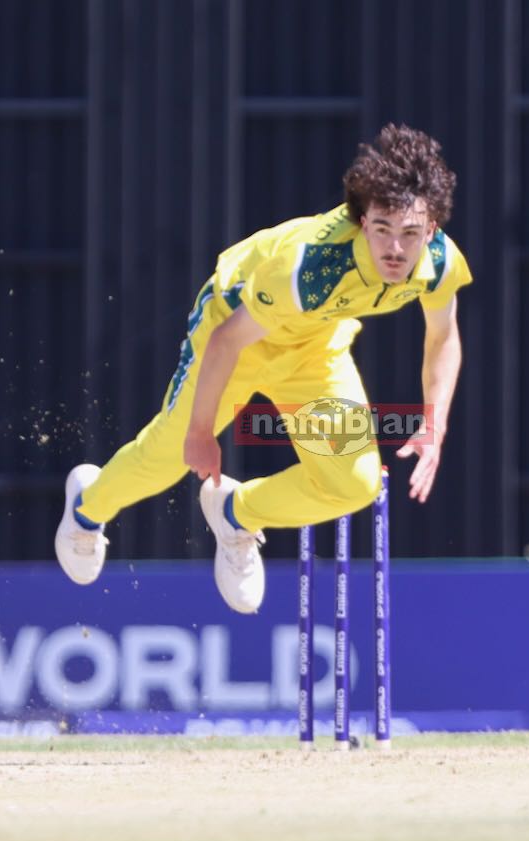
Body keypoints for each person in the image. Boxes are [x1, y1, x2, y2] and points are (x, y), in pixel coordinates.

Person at [55, 124, 471, 614]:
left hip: (313, 349)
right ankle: (86, 507)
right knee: (168, 458)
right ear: (362, 222)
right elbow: (227, 340)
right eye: (382, 229)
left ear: (432, 230)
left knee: (354, 484)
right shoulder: (313, 267)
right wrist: (200, 432)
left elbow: (443, 337)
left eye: (410, 234)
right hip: (238, 336)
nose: (395, 250)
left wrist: (434, 422)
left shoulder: (439, 263)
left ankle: (236, 515)